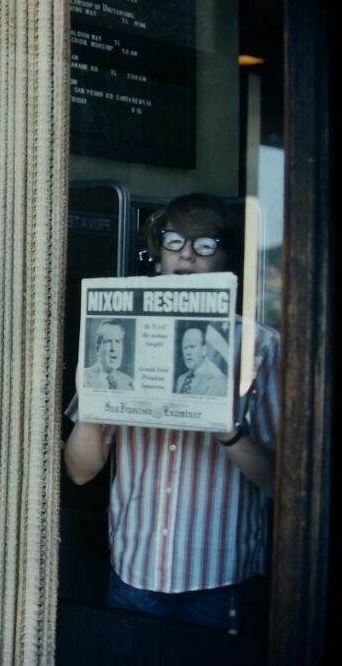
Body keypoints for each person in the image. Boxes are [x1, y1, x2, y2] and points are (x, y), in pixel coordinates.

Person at [63, 192, 279, 632]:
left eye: (204, 244)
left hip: (224, 580)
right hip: (134, 572)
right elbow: (80, 472)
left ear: (226, 260)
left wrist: (227, 431)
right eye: (174, 241)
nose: (186, 255)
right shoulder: (116, 334)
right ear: (157, 255)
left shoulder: (262, 347)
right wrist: (92, 405)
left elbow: (283, 484)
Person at [82, 319, 134, 390]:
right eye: (108, 341)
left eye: (118, 341)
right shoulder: (84, 378)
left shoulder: (129, 382)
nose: (113, 348)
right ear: (98, 348)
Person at [175, 326, 228, 396]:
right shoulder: (180, 380)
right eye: (185, 348)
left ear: (204, 350)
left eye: (192, 347)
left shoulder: (218, 380)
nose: (188, 352)